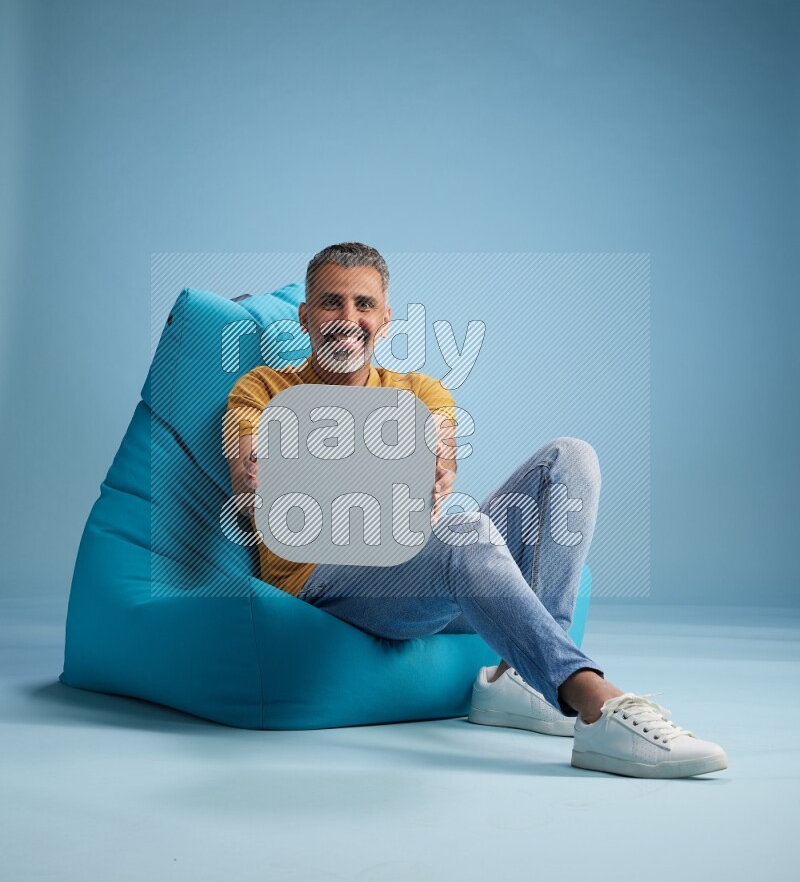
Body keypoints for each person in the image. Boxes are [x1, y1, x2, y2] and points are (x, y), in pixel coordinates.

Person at [224, 242, 728, 779]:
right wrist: (255, 468)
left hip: (415, 573)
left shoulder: (419, 391)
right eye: (331, 303)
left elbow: (441, 448)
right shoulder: (264, 388)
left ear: (386, 318)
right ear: (305, 316)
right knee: (467, 532)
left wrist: (437, 462)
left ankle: (520, 678)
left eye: (363, 304)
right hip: (321, 583)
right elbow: (246, 463)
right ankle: (593, 699)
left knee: (570, 457)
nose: (348, 319)